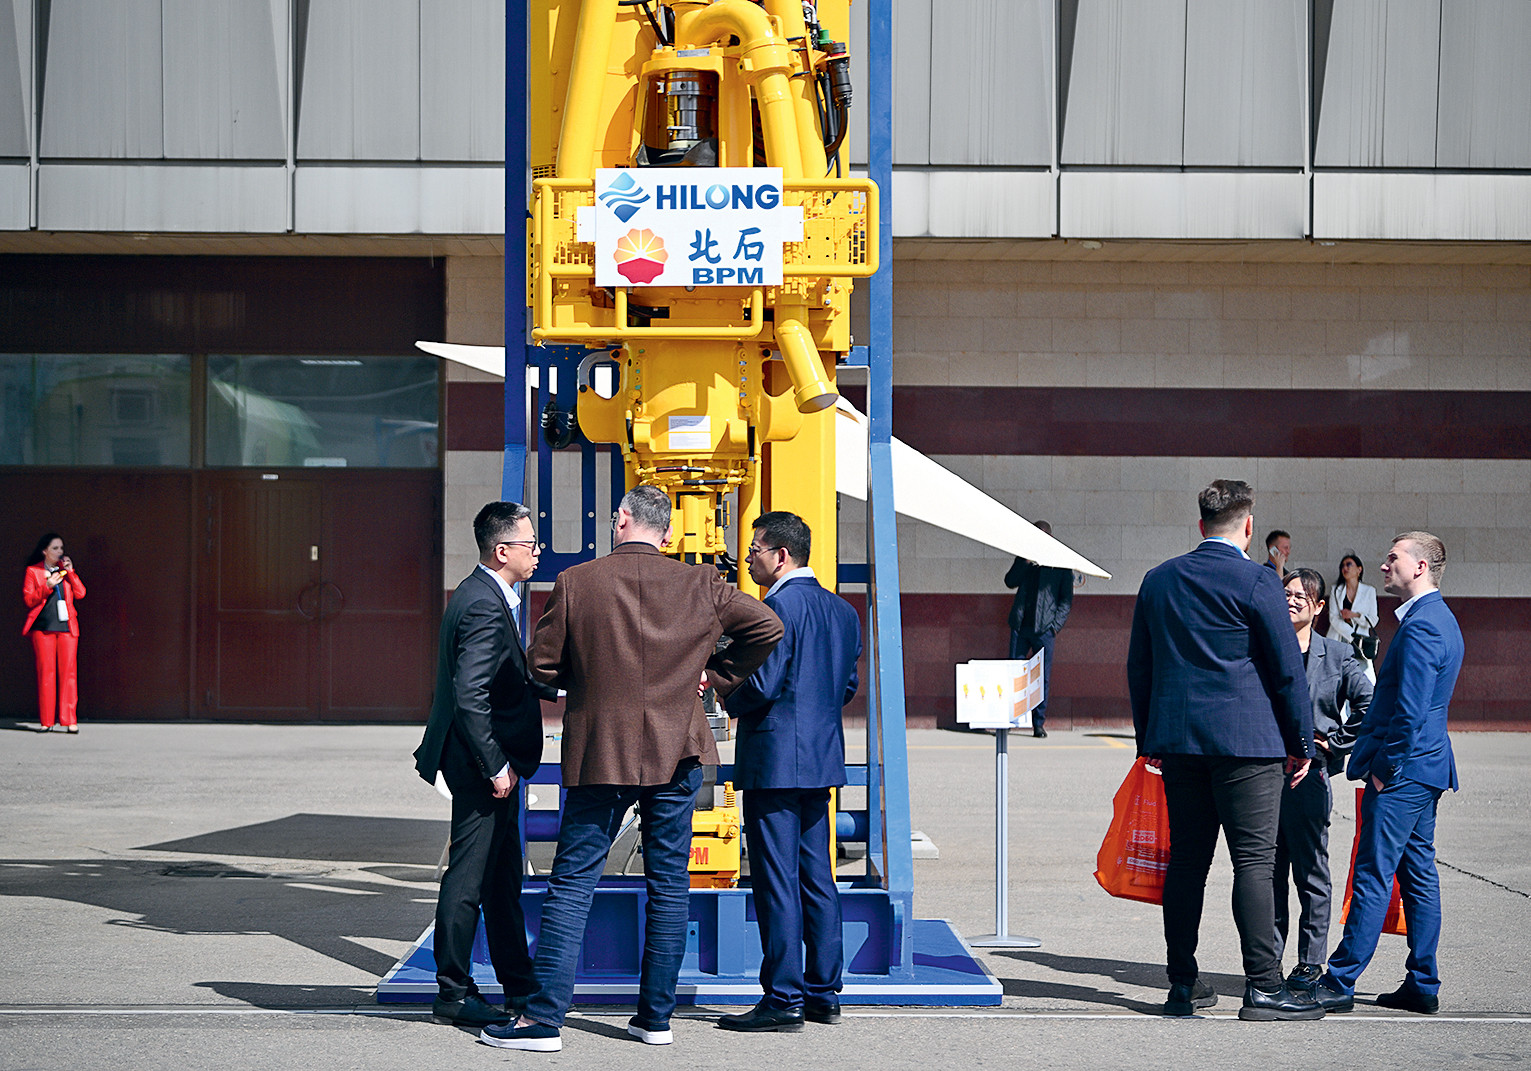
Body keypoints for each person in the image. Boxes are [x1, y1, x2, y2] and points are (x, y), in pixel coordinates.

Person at [482, 484, 782, 1052]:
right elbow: (767, 627)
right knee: (669, 884)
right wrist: (714, 674)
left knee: (573, 883)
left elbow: (540, 666)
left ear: (620, 520)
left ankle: (543, 1021)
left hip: (601, 747)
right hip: (679, 748)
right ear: (666, 534)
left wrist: (591, 681)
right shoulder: (701, 583)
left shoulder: (577, 582)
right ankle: (655, 1019)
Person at [1126, 480, 1322, 1021]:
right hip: (1248, 744)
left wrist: (1150, 740)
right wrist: (1302, 742)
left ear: (1200, 524)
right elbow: (1287, 670)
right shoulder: (1258, 581)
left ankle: (1182, 984)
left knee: (1187, 862)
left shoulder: (1159, 579)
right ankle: (1264, 987)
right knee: (1253, 863)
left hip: (1180, 743)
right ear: (1249, 526)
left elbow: (1139, 666)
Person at [717, 511, 861, 1034]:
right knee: (817, 877)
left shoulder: (776, 608)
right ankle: (824, 993)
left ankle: (782, 998)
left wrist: (723, 689)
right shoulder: (843, 611)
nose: (748, 559)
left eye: (754, 550)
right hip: (821, 757)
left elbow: (763, 684)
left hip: (775, 760)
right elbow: (847, 686)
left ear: (781, 555)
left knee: (776, 880)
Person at [413, 502, 552, 1030]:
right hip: (481, 766)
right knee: (469, 879)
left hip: (488, 760)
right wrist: (495, 766)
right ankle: (452, 991)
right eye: (530, 544)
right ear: (501, 551)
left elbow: (500, 678)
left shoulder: (484, 596)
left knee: (500, 879)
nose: (537, 552)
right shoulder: (482, 607)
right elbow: (470, 695)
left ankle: (519, 983)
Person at [1312, 532, 1463, 1016]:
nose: (1383, 565)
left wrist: (1384, 770)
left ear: (1420, 567)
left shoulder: (1424, 626)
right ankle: (1422, 983)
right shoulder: (1437, 618)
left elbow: (1410, 710)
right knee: (1418, 873)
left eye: (1393, 558)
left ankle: (1340, 980)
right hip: (1425, 768)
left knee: (1374, 872)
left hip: (1404, 772)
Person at [1275, 568, 1373, 994]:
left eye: (1300, 596)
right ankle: (1267, 962)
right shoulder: (1264, 648)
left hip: (1310, 777)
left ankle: (1310, 962)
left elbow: (1370, 703)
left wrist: (1334, 743)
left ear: (1318, 607)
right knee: (1267, 872)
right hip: (1264, 776)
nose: (1291, 600)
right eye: (1285, 593)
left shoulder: (1336, 655)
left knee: (1310, 871)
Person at [1003, 520, 1073, 738]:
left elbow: (1066, 599)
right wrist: (1024, 562)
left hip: (1045, 630)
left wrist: (1055, 627)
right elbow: (1009, 581)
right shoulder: (1025, 557)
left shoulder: (1060, 562)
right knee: (1015, 672)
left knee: (1042, 677)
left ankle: (1038, 723)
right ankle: (1011, 718)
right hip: (1021, 625)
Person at [23, 532, 86, 733]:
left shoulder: (65, 571)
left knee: (68, 674)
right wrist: (46, 586)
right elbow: (29, 600)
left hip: (66, 628)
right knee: (46, 674)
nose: (60, 552)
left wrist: (71, 572)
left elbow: (80, 593)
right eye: (55, 548)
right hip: (44, 628)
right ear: (45, 551)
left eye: (61, 548)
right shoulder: (34, 571)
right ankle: (47, 720)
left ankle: (69, 719)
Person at [1326, 553, 1379, 682]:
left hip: (1360, 643)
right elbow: (1333, 618)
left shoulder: (1369, 591)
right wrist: (1351, 635)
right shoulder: (1336, 590)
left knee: (1364, 678)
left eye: (1349, 564)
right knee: (1336, 677)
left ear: (1359, 569)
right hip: (1338, 638)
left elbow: (1373, 620)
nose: (1345, 568)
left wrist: (1355, 615)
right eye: (1343, 566)